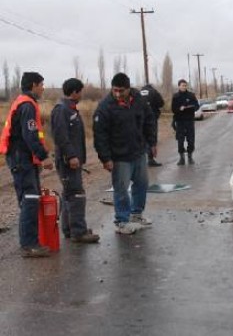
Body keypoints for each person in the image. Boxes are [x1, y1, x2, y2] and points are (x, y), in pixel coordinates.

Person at [93, 73, 156, 235]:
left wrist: (152, 143)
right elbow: (100, 135)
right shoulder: (105, 107)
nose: (118, 94)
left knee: (142, 184)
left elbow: (149, 120)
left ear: (128, 89)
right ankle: (122, 221)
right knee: (121, 189)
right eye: (115, 90)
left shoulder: (139, 100)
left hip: (139, 152)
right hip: (119, 157)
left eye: (121, 91)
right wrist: (105, 158)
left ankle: (136, 214)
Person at [0, 72, 53, 257]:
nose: (43, 88)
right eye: (41, 84)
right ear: (33, 85)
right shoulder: (27, 105)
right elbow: (30, 135)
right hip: (21, 159)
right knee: (30, 199)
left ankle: (31, 240)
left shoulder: (23, 102)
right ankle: (29, 244)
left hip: (22, 158)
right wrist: (43, 156)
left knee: (30, 199)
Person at [51, 78, 99, 244]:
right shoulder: (61, 110)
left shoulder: (71, 109)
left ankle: (69, 230)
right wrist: (71, 156)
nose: (81, 94)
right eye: (80, 91)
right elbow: (60, 136)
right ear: (74, 92)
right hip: (67, 162)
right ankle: (79, 231)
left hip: (73, 160)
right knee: (77, 194)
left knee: (68, 195)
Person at [171, 79, 199, 165]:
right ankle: (181, 158)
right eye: (182, 85)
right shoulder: (175, 96)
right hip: (180, 121)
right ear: (179, 86)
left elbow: (197, 106)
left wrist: (191, 107)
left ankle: (190, 156)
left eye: (185, 85)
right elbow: (173, 109)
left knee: (191, 140)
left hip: (189, 120)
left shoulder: (191, 95)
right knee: (180, 140)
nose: (184, 87)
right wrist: (179, 109)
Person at [140, 83, 165, 167]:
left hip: (140, 119)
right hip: (151, 118)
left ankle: (142, 159)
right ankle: (150, 159)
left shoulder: (139, 93)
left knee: (142, 138)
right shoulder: (154, 92)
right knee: (151, 137)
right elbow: (161, 103)